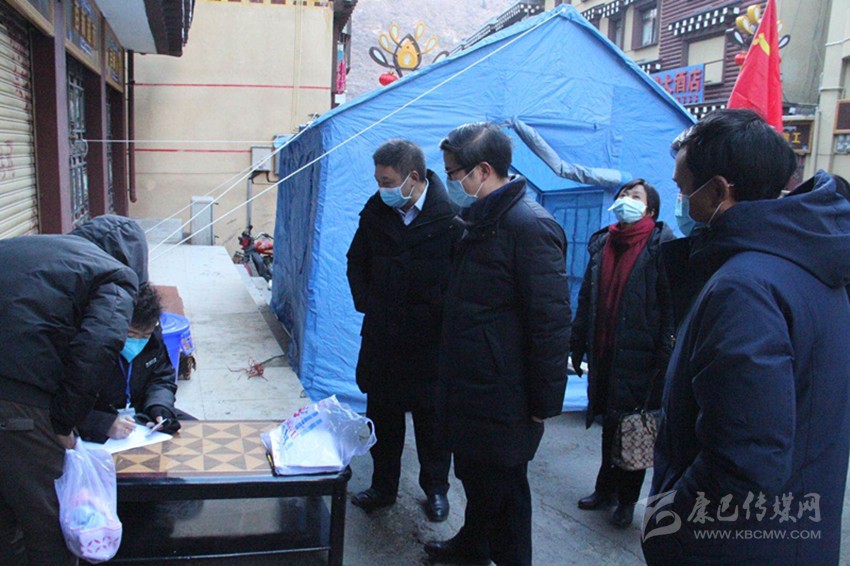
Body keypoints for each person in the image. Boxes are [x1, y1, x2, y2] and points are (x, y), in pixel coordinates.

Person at [643, 109, 850, 565]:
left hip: (732, 547)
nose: (682, 202)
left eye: (683, 189)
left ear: (719, 191)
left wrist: (667, 527)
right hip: (791, 536)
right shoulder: (809, 264)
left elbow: (744, 461)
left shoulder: (745, 287)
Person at [425, 123, 570, 565]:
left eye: (454, 173)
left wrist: (543, 403)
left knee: (506, 496)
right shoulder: (479, 221)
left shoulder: (529, 226)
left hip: (506, 394)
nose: (451, 181)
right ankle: (473, 546)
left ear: (484, 171)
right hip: (472, 384)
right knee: (477, 479)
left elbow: (550, 325)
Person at [0, 215, 147, 565]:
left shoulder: (19, 247)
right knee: (52, 529)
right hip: (21, 408)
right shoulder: (114, 274)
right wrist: (65, 422)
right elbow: (97, 347)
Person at [346, 139, 462, 522]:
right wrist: (368, 302)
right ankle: (383, 487)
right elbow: (356, 261)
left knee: (433, 426)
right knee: (383, 419)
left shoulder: (452, 217)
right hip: (383, 337)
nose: (382, 188)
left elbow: (464, 278)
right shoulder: (376, 211)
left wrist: (443, 316)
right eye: (378, 181)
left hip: (431, 342)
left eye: (387, 181)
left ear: (413, 177)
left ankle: (436, 490)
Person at [570, 179, 674, 528]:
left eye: (635, 196)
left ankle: (627, 500)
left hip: (641, 356)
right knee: (609, 421)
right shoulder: (603, 243)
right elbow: (587, 297)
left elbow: (669, 307)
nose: (626, 199)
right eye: (624, 194)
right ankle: (605, 489)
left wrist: (664, 356)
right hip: (605, 350)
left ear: (650, 210)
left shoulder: (661, 247)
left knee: (633, 426)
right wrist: (577, 343)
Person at [77, 283, 184, 443]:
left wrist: (159, 407)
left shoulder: (154, 338)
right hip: (98, 420)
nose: (138, 342)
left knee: (189, 432)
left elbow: (162, 377)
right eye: (131, 335)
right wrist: (104, 424)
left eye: (145, 335)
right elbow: (66, 404)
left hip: (141, 415)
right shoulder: (90, 347)